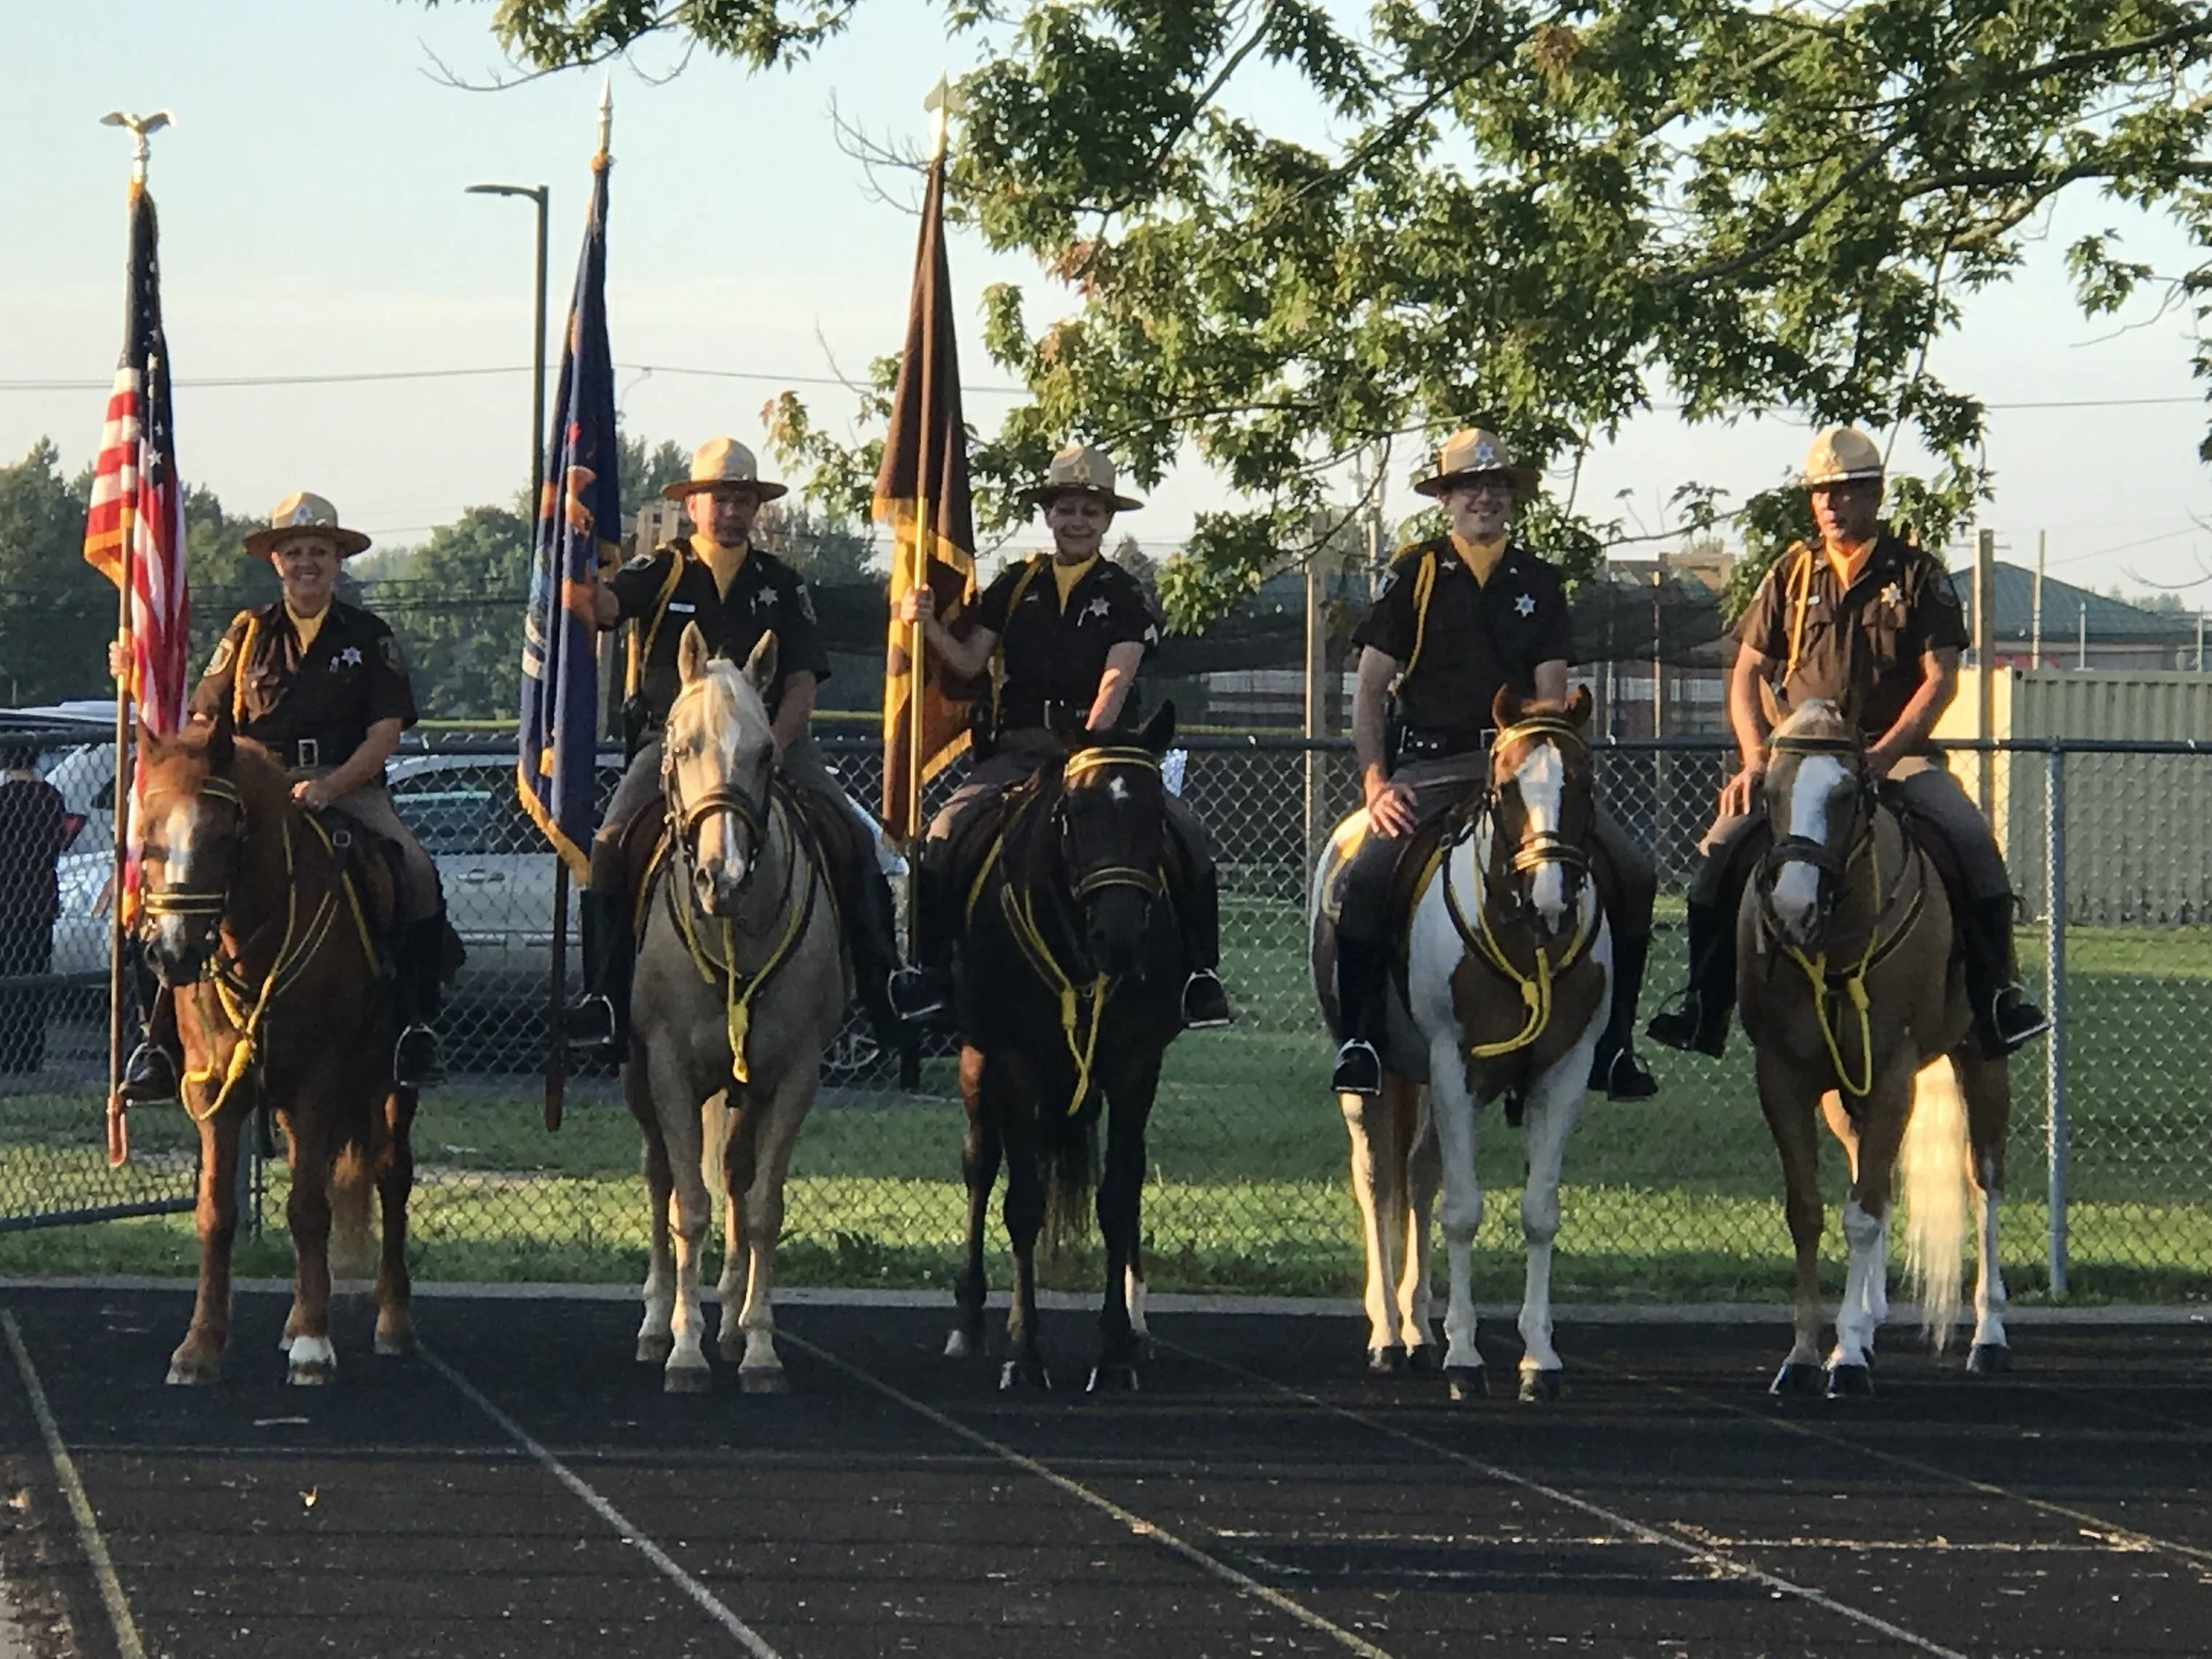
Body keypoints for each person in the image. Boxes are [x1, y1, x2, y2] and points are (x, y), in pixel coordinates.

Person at [1644, 425, 2050, 1060]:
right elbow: (1747, 672)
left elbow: (1940, 678)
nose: (1831, 504)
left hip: (1896, 752)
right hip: (1801, 756)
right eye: (1821, 492)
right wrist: (1755, 759)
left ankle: (1996, 1000)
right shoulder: (1792, 572)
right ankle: (1703, 1002)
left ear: (1875, 494)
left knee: (1970, 841)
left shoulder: (1916, 573)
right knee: (1719, 854)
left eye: (1846, 491)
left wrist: (1884, 755)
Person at [1330, 428, 1660, 1100]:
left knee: (1633, 870)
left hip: (1521, 773)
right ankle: (1362, 1040)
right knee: (1363, 879)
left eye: (1496, 485)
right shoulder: (1413, 573)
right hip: (1430, 766)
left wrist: (1540, 772)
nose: (1484, 496)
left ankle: (1614, 1044)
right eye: (1469, 486)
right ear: (1445, 498)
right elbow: (1369, 687)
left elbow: (1551, 692)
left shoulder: (1538, 580)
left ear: (1511, 497)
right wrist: (1374, 780)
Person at [564, 436, 910, 1055]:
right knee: (611, 844)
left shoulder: (780, 582)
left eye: (743, 499)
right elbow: (600, 606)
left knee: (854, 839)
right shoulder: (663, 569)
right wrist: (576, 542)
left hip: (771, 743)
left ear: (756, 508)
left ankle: (885, 987)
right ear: (693, 504)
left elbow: (801, 680)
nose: (731, 511)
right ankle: (605, 1000)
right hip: (678, 749)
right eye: (719, 498)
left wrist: (769, 747)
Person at [116, 491, 450, 1102]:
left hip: (346, 785)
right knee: (169, 891)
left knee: (416, 872)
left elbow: (386, 733)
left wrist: (331, 784)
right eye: (293, 551)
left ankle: (415, 1025)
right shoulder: (246, 634)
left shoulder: (368, 634)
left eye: (318, 551)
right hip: (251, 790)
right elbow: (202, 719)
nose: (306, 562)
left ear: (337, 560)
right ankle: (158, 1039)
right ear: (275, 561)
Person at [886, 441, 1231, 1030]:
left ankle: (1200, 975)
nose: (1077, 521)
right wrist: (924, 625)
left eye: (1090, 511)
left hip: (1100, 751)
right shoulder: (1017, 583)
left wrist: (1088, 751)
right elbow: (970, 662)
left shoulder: (1127, 592)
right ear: (1048, 514)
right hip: (1018, 745)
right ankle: (932, 970)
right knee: (943, 832)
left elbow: (1116, 679)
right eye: (1066, 509)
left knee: (1188, 832)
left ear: (1107, 520)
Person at [0, 743, 70, 1074]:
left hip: (6, 898)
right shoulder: (51, 797)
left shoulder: (4, 799)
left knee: (7, 976)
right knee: (35, 970)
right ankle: (31, 1051)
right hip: (40, 897)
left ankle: (7, 1051)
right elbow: (57, 842)